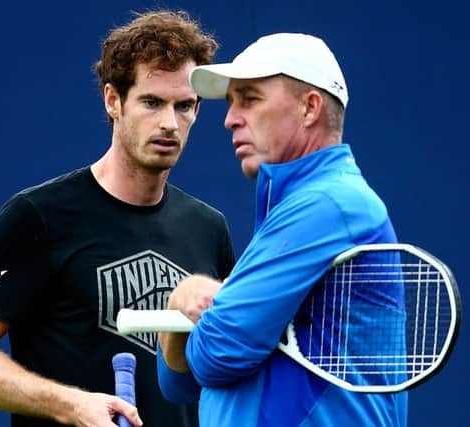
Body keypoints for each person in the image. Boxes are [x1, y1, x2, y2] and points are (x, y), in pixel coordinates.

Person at [0, 10, 235, 427]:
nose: (169, 123)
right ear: (113, 100)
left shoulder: (209, 227)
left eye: (184, 106)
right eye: (151, 102)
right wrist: (71, 405)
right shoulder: (39, 215)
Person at [157, 33, 408, 426]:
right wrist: (181, 299)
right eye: (230, 102)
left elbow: (216, 355)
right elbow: (178, 386)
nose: (229, 118)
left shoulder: (330, 205)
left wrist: (209, 318)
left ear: (310, 108)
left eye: (250, 99)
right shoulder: (299, 208)